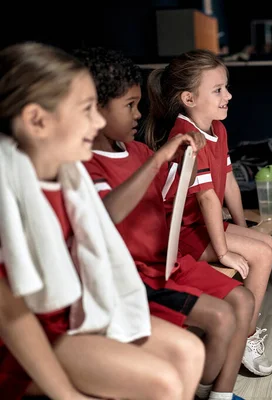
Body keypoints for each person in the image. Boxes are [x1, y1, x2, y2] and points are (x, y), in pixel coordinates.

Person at [0, 42, 205, 400]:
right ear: (37, 120)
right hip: (32, 334)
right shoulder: (10, 194)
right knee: (163, 382)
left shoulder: (68, 179)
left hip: (76, 315)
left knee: (190, 352)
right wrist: (65, 394)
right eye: (85, 110)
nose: (97, 122)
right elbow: (11, 316)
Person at [77, 46, 250, 400]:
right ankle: (195, 387)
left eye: (138, 105)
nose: (138, 115)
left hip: (169, 264)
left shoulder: (141, 152)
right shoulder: (88, 164)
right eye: (129, 106)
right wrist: (159, 162)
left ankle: (216, 392)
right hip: (137, 274)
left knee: (243, 303)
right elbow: (109, 213)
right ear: (95, 110)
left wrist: (183, 164)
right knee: (219, 321)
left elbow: (173, 201)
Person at [145, 49, 272, 377]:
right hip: (177, 235)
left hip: (204, 224)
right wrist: (225, 252)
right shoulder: (185, 134)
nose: (228, 95)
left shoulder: (217, 127)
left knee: (267, 245)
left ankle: (241, 333)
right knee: (260, 255)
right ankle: (243, 338)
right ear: (189, 98)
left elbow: (228, 179)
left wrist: (245, 227)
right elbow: (206, 198)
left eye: (226, 87)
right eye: (218, 90)